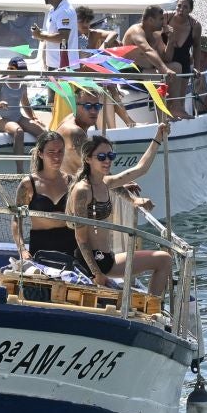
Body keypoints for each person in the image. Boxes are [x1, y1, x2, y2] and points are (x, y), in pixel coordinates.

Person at [68, 126, 174, 299]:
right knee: (164, 259)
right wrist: (97, 274)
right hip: (96, 262)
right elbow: (81, 238)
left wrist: (158, 138)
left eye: (111, 156)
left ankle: (151, 304)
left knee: (164, 259)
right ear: (87, 159)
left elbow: (141, 169)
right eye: (101, 157)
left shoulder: (105, 183)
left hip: (107, 258)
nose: (107, 161)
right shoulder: (82, 190)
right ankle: (151, 306)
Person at [11, 130, 77, 268]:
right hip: (41, 246)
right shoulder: (28, 184)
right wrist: (22, 249)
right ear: (40, 154)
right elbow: (17, 220)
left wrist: (121, 186)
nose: (57, 157)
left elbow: (95, 184)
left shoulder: (71, 182)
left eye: (60, 151)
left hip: (69, 244)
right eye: (51, 152)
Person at [0, 57, 50, 154]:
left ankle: (41, 162)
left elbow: (25, 103)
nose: (21, 75)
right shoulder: (0, 83)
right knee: (18, 132)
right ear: (9, 69)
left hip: (17, 117)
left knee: (43, 133)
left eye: (23, 72)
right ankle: (20, 168)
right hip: (1, 119)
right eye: (19, 72)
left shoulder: (23, 85)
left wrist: (34, 118)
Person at [30, 0, 81, 69]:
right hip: (54, 64)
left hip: (65, 66)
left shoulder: (64, 11)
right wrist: (40, 33)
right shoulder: (53, 10)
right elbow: (55, 34)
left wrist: (40, 35)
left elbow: (63, 37)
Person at [163, 0, 197, 117]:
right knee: (169, 95)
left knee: (180, 101)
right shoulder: (166, 18)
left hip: (184, 62)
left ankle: (179, 114)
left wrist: (197, 66)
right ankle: (167, 115)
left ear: (190, 10)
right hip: (166, 61)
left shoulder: (195, 25)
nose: (181, 9)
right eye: (179, 6)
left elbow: (197, 47)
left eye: (185, 7)